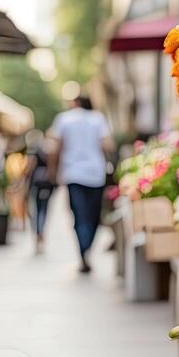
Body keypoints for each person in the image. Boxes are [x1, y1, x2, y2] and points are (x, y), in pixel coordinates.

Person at [50, 94, 112, 273]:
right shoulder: (98, 118)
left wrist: (53, 171)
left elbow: (56, 147)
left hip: (73, 173)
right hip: (96, 174)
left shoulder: (64, 119)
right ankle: (87, 248)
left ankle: (83, 249)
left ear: (76, 103)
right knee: (93, 215)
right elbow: (107, 145)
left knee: (78, 214)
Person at [24, 130, 55, 253]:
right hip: (47, 183)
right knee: (44, 209)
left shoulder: (36, 150)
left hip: (36, 183)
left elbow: (29, 167)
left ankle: (38, 232)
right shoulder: (51, 150)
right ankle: (41, 232)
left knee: (36, 209)